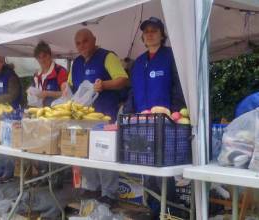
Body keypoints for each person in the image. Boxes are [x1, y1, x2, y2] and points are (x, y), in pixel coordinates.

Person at [125, 17, 186, 217]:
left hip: (164, 124)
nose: (150, 34)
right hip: (141, 124)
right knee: (145, 168)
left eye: (154, 30)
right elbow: (133, 93)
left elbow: (179, 87)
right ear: (143, 37)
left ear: (162, 35)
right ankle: (152, 208)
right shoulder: (138, 62)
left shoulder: (171, 56)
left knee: (163, 170)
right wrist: (127, 115)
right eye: (146, 31)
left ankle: (169, 210)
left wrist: (175, 114)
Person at [67, 28, 129, 205]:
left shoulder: (107, 56)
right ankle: (92, 188)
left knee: (104, 154)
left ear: (94, 39)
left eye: (85, 41)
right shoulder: (76, 63)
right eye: (78, 43)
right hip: (83, 117)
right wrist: (66, 88)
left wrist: (104, 85)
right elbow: (71, 85)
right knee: (85, 152)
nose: (82, 46)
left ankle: (109, 194)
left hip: (104, 116)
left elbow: (123, 79)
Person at [31, 41, 68, 106]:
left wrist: (48, 93)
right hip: (39, 112)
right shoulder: (36, 75)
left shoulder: (60, 71)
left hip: (56, 113)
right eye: (39, 57)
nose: (42, 60)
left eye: (44, 56)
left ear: (50, 55)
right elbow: (33, 95)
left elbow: (66, 94)